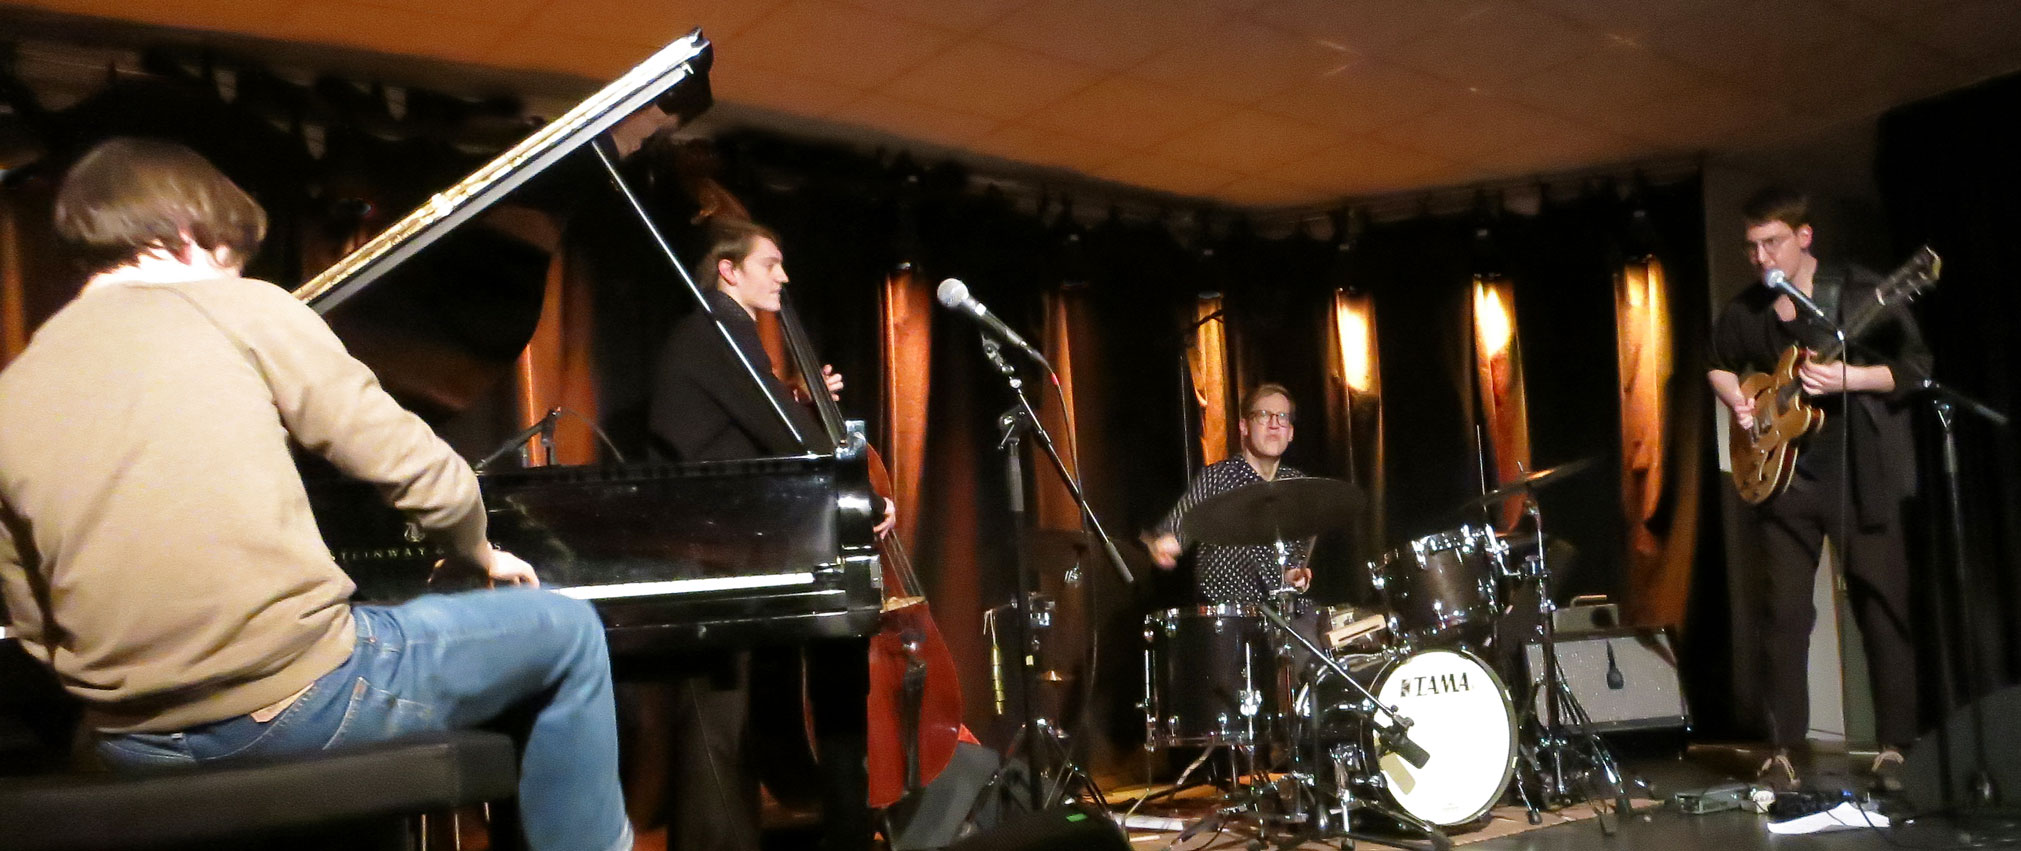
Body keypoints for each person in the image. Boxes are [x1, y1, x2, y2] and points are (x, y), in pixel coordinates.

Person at [0, 138, 630, 851]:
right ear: (187, 232)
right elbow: (423, 473)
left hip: (129, 745)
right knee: (566, 632)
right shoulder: (238, 308)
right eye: (232, 256)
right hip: (298, 707)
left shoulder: (17, 386)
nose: (236, 273)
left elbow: (33, 618)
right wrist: (475, 552)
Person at [641, 218, 891, 849]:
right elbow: (788, 439)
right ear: (728, 270)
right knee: (719, 717)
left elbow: (751, 428)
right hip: (711, 546)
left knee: (730, 716)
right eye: (769, 263)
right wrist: (865, 500)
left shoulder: (716, 331)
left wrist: (794, 399)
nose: (783, 276)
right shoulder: (720, 329)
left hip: (720, 541)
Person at [1707, 186, 1929, 793]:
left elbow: (1916, 368)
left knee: (1881, 606)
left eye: (1771, 242)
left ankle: (1896, 746)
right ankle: (1782, 750)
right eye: (1751, 246)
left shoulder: (1859, 293)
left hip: (1861, 474)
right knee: (1782, 616)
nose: (1760, 257)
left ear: (1804, 237)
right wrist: (1740, 402)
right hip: (1786, 481)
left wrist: (1849, 378)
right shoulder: (1748, 309)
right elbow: (1717, 360)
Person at [1148, 383, 1312, 604]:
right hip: (1229, 616)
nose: (1274, 424)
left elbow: (1294, 561)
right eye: (1264, 415)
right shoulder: (1217, 478)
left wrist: (1295, 576)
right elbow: (1177, 531)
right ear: (1244, 427)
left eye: (1282, 417)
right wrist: (1162, 546)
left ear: (1290, 433)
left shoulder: (1297, 484)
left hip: (1284, 615)